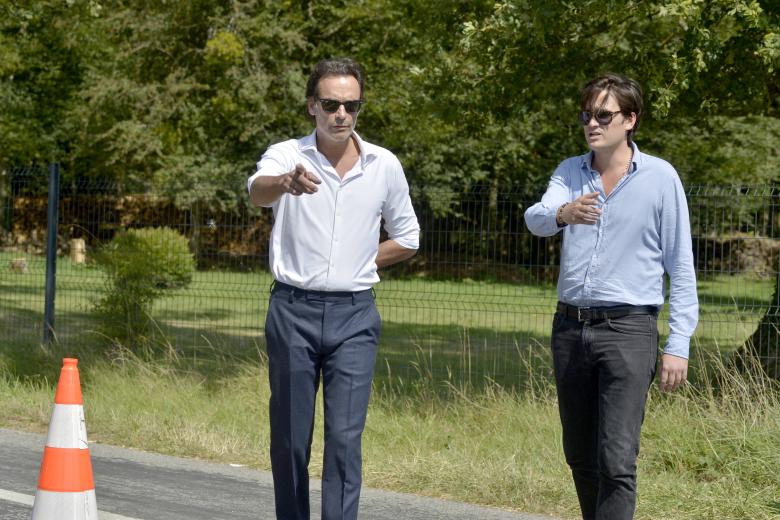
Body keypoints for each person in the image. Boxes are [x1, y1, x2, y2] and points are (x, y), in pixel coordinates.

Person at [247, 57, 420, 520]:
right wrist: (285, 183)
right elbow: (257, 191)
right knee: (290, 438)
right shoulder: (288, 155)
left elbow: (408, 236)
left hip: (355, 317)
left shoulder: (384, 164)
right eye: (330, 104)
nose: (341, 114)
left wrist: (361, 260)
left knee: (344, 440)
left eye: (351, 105)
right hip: (292, 312)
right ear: (312, 107)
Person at [524, 74, 698, 520]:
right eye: (586, 115)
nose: (592, 124)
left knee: (617, 461)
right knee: (579, 455)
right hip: (570, 327)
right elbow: (536, 218)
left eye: (604, 115)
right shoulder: (570, 171)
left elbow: (680, 265)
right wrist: (564, 212)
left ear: (630, 120)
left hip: (629, 329)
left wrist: (678, 344)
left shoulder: (660, 177)